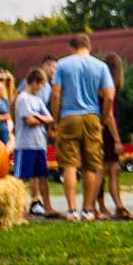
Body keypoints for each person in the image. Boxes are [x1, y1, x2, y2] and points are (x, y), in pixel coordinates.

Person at [48, 32, 116, 222]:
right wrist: (102, 118)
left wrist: (56, 118)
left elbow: (55, 94)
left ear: (71, 47)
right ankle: (87, 209)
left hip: (68, 116)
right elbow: (110, 96)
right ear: (89, 46)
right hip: (92, 116)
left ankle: (71, 210)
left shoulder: (62, 64)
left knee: (69, 164)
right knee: (91, 165)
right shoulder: (100, 66)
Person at [11, 69, 60, 219]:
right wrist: (40, 118)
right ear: (33, 82)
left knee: (42, 176)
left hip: (39, 144)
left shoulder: (37, 100)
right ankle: (20, 209)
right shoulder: (23, 99)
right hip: (25, 144)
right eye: (41, 85)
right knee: (22, 178)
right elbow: (29, 121)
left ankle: (48, 207)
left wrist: (38, 116)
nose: (41, 88)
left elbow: (50, 119)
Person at [95, 51, 132, 220]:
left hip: (102, 131)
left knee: (113, 169)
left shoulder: (101, 85)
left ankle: (117, 205)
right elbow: (109, 115)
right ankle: (92, 207)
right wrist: (117, 139)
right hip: (107, 133)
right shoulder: (108, 88)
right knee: (103, 170)